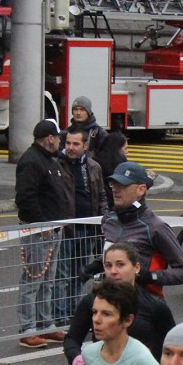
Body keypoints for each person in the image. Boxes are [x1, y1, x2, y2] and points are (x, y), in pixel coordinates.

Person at [65, 242, 176, 365]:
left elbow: (173, 345)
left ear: (137, 267)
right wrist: (77, 360)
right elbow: (72, 339)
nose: (113, 271)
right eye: (108, 265)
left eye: (120, 265)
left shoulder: (155, 306)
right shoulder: (92, 301)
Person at [15, 119, 72, 348]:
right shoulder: (31, 161)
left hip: (52, 229)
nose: (60, 141)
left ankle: (44, 324)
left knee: (48, 280)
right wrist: (42, 224)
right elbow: (25, 198)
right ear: (50, 138)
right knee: (33, 279)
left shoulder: (50, 160)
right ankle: (27, 327)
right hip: (39, 231)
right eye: (58, 137)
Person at [99, 161, 183, 296]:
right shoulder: (109, 220)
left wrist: (148, 277)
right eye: (113, 183)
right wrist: (94, 266)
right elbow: (113, 254)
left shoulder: (155, 227)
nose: (115, 189)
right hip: (113, 301)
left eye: (122, 185)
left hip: (144, 304)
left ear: (141, 190)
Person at [57, 126, 109, 320]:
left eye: (75, 144)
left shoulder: (93, 167)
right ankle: (59, 314)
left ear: (85, 146)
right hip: (66, 229)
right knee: (62, 275)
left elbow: (101, 195)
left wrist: (104, 218)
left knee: (79, 274)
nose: (70, 147)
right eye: (68, 143)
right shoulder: (58, 164)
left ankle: (73, 312)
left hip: (88, 229)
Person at [96, 133, 129, 208]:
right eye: (125, 148)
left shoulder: (95, 163)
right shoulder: (122, 167)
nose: (127, 152)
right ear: (117, 149)